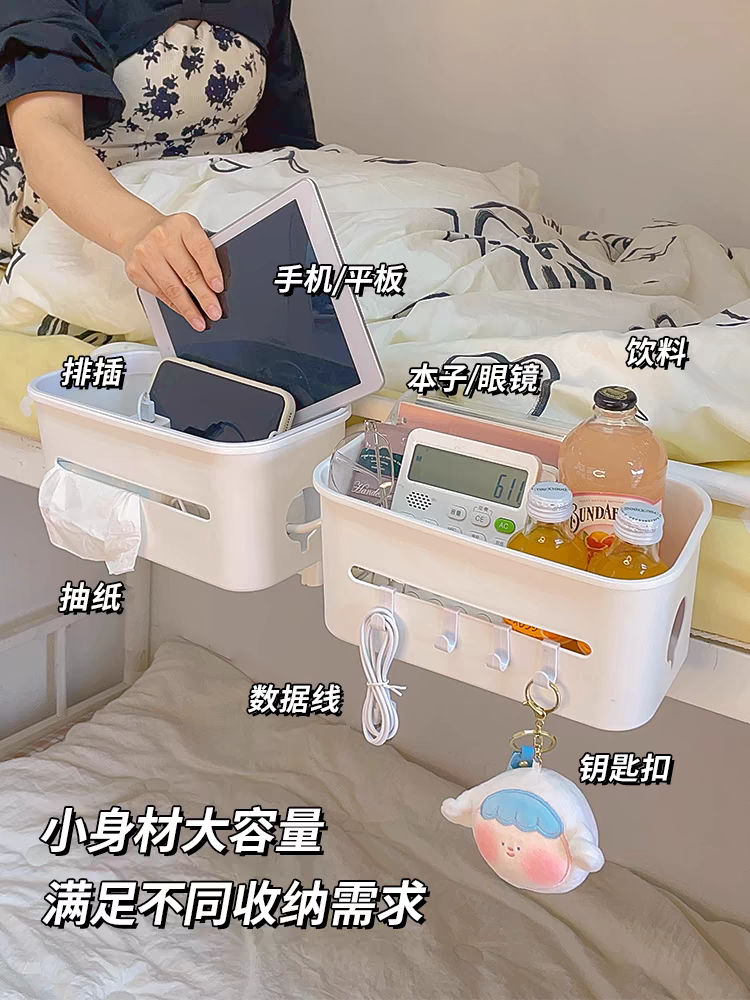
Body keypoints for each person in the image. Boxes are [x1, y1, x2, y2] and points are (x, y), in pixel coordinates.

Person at [0, 0, 318, 335]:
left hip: (222, 216)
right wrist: (139, 231)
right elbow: (47, 130)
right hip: (97, 228)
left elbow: (286, 144)